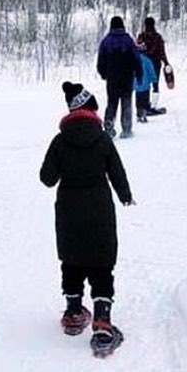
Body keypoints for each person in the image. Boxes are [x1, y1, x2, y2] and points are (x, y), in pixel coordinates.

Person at [39, 81, 133, 354]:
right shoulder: (102, 138)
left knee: (72, 261)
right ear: (90, 109)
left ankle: (73, 312)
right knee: (101, 264)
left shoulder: (59, 140)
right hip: (100, 210)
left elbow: (47, 179)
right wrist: (125, 195)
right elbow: (117, 171)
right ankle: (102, 321)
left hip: (69, 210)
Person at [96, 15, 143, 138]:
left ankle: (109, 123)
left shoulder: (106, 41)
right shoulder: (128, 40)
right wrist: (139, 73)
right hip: (127, 77)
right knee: (126, 101)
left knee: (112, 101)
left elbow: (101, 60)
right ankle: (126, 128)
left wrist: (103, 73)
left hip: (112, 78)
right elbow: (136, 59)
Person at [136, 16, 170, 99]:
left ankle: (145, 104)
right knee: (155, 84)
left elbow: (137, 49)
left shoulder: (141, 36)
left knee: (145, 84)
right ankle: (153, 105)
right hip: (155, 63)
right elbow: (162, 52)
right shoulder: (158, 37)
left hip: (143, 64)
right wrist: (166, 62)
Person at [134, 47, 157, 124]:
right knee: (145, 100)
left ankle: (138, 114)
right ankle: (144, 114)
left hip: (137, 85)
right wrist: (154, 80)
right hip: (146, 85)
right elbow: (151, 71)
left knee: (138, 101)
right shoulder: (147, 60)